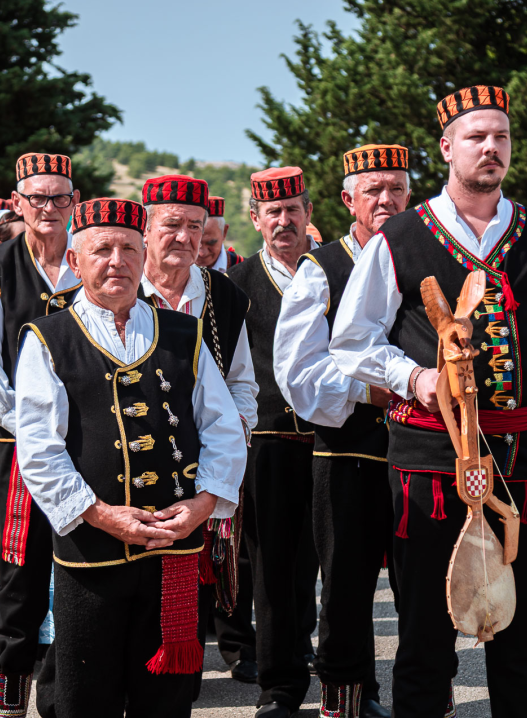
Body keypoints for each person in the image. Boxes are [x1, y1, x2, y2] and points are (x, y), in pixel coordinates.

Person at [329, 86, 527, 718]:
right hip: (428, 458)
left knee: (516, 638)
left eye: (501, 137)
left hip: (524, 460)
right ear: (447, 148)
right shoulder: (398, 239)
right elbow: (351, 341)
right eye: (477, 137)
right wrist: (414, 378)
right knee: (424, 634)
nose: (491, 148)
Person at [12, 197, 247, 718]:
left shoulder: (184, 334)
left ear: (144, 258)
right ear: (75, 262)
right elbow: (40, 448)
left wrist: (204, 504)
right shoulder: (49, 338)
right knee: (84, 694)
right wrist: (100, 515)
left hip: (173, 548)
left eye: (128, 249)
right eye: (101, 250)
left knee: (165, 699)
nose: (116, 261)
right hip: (90, 549)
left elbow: (223, 427)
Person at [274, 144, 412, 718]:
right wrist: (369, 391)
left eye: (396, 189)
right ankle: (348, 700)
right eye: (372, 189)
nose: (385, 199)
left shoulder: (426, 254)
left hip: (419, 453)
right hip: (347, 452)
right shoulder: (321, 267)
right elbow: (296, 371)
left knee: (422, 587)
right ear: (347, 198)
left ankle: (421, 695)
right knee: (348, 587)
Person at [136, 175, 259, 695]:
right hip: (128, 462)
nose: (184, 237)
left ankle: (175, 687)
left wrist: (223, 456)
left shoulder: (225, 296)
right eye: (171, 225)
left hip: (200, 471)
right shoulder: (116, 287)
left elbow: (243, 386)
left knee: (189, 585)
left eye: (195, 226)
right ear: (144, 227)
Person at [0, 152, 81, 717]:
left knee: (80, 574)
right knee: (21, 577)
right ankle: (8, 702)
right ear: (17, 203)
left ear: (74, 201)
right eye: (37, 197)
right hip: (23, 448)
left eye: (60, 197)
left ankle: (63, 700)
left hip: (89, 446)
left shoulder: (93, 262)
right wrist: (39, 430)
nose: (49, 208)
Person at [227, 167, 322, 718]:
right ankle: (278, 685)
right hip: (265, 442)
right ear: (257, 220)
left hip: (330, 439)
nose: (283, 222)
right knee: (271, 564)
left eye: (292, 211)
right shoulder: (238, 284)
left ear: (308, 213)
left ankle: (327, 666)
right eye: (272, 214)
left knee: (327, 558)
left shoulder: (335, 269)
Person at [196, 196, 243, 272]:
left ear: (224, 232)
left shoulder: (245, 270)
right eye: (196, 243)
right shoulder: (174, 270)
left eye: (211, 243)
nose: (202, 253)